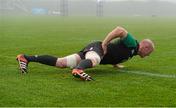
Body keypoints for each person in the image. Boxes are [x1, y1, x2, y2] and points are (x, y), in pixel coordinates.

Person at [16, 26, 154, 81]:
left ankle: (25, 58)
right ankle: (78, 69)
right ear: (145, 47)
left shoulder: (133, 51)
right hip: (97, 48)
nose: (148, 55)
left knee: (61, 63)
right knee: (95, 60)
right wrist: (104, 44)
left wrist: (115, 64)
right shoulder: (133, 44)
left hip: (95, 49)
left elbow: (118, 52)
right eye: (149, 52)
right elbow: (119, 30)